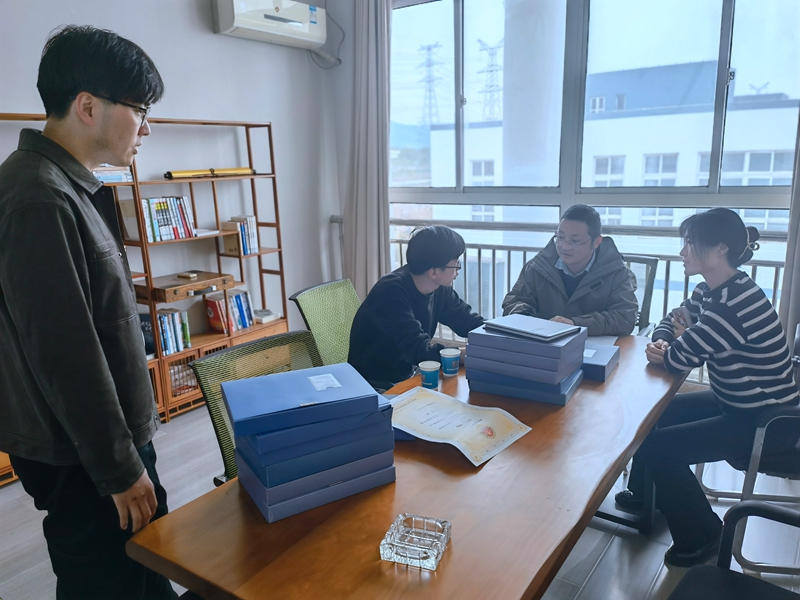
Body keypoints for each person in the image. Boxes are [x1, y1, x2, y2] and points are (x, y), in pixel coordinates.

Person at [0, 26, 179, 599]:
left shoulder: (68, 185)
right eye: (140, 111)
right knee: (109, 579)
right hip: (86, 453)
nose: (146, 128)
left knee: (146, 567)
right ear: (87, 106)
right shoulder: (38, 196)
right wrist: (119, 467)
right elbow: (65, 354)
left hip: (105, 441)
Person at [614, 208, 799, 568]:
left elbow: (678, 359)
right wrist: (668, 338)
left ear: (720, 249)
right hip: (737, 403)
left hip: (768, 421)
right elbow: (674, 321)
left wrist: (675, 346)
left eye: (690, 243)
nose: (683, 251)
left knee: (658, 448)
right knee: (653, 415)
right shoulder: (712, 291)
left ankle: (703, 536)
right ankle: (649, 495)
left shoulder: (734, 304)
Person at [348, 225, 485, 391]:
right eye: (455, 263)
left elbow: (467, 321)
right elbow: (420, 351)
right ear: (434, 272)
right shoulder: (391, 292)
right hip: (375, 384)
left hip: (409, 375)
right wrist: (467, 354)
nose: (458, 268)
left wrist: (501, 335)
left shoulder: (439, 288)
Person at [501, 204, 638, 336]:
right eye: (560, 238)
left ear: (596, 242)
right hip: (545, 343)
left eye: (575, 241)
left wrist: (575, 324)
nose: (565, 247)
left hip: (594, 345)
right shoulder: (537, 267)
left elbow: (624, 319)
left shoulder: (618, 273)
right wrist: (530, 321)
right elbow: (513, 302)